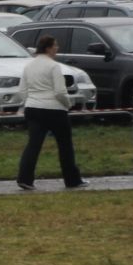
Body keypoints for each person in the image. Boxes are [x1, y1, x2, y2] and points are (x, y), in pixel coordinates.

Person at [18, 35, 85, 191]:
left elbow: (22, 91)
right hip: (54, 110)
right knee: (65, 145)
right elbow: (60, 92)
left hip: (33, 108)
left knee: (33, 145)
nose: (57, 48)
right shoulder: (54, 66)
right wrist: (68, 104)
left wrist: (31, 101)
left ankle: (24, 179)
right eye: (55, 45)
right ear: (48, 48)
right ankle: (72, 180)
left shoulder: (29, 66)